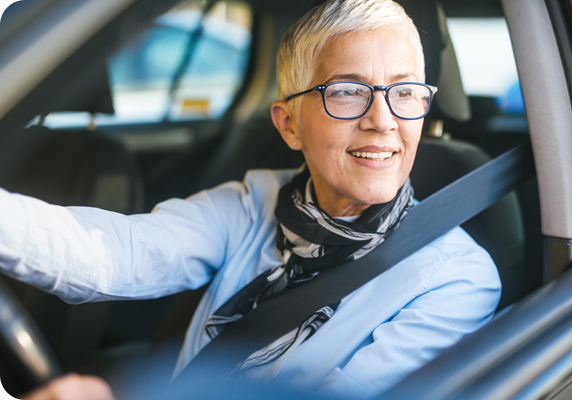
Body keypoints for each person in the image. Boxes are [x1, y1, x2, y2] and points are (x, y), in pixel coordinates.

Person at [6, 0, 501, 398]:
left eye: (405, 92)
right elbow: (114, 254)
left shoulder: (456, 279)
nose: (383, 119)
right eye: (349, 91)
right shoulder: (252, 201)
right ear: (289, 125)